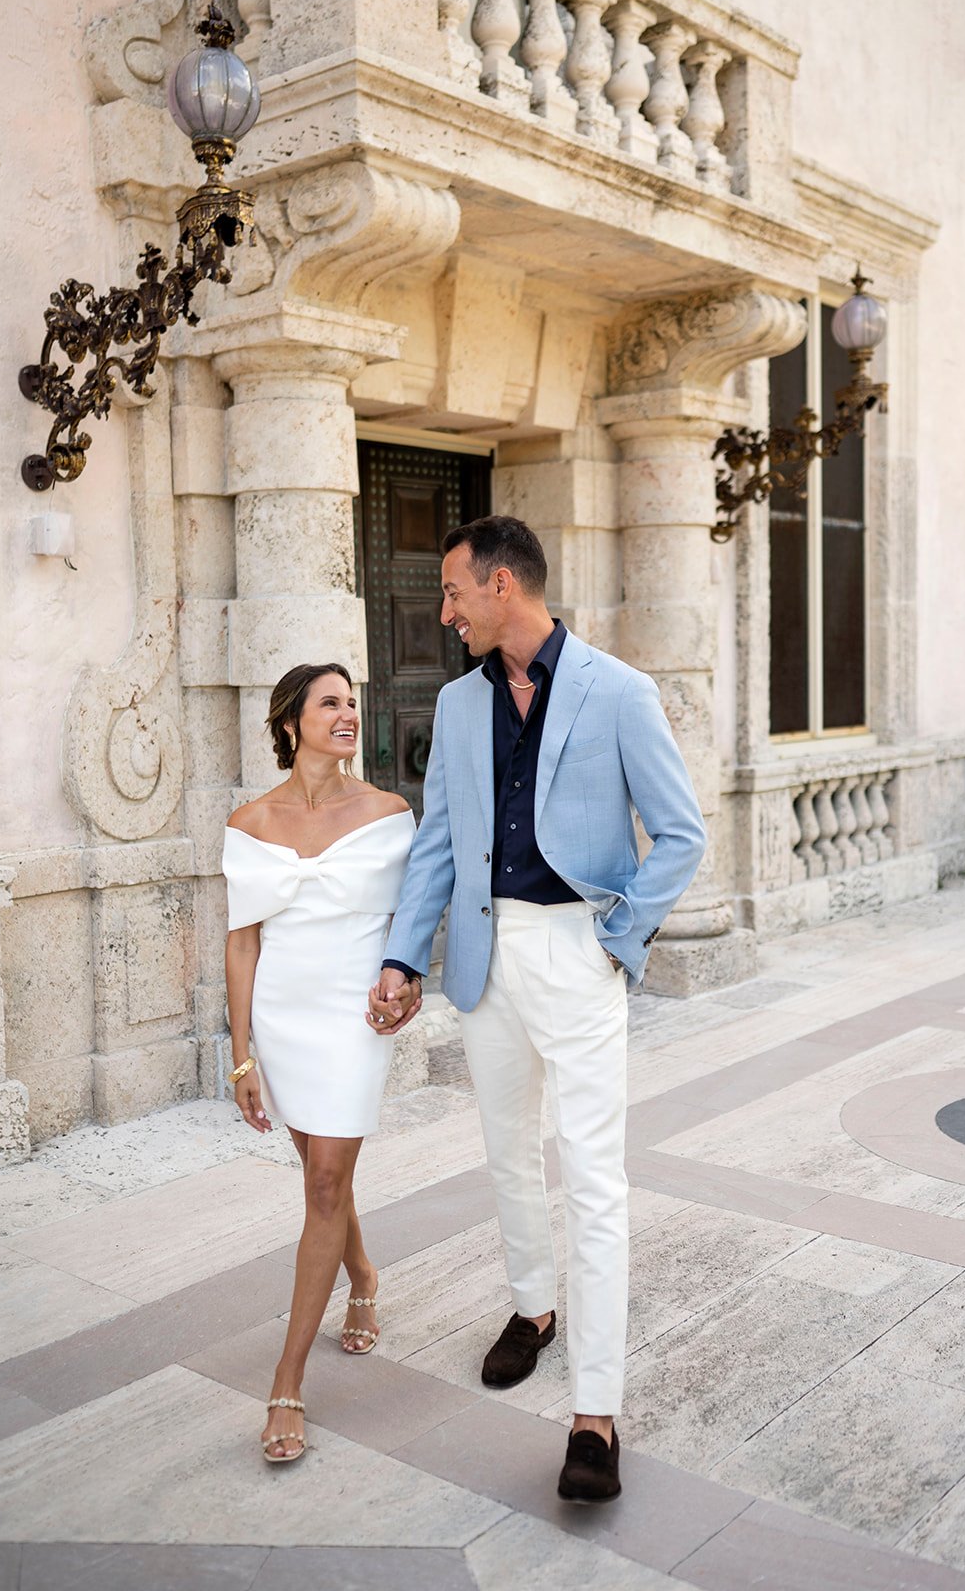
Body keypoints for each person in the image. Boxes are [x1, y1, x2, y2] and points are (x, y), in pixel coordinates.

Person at [368, 516, 705, 1503]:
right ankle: (531, 1309)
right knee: (506, 1152)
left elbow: (678, 832)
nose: (444, 612)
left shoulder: (617, 691)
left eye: (453, 594)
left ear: (503, 585)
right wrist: (402, 952)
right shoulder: (460, 703)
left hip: (574, 946)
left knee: (592, 1178)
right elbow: (435, 840)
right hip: (483, 956)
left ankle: (593, 1414)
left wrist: (618, 935)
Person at [223, 662, 417, 1464]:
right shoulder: (249, 820)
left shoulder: (387, 811)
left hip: (349, 1015)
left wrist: (404, 987)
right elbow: (242, 942)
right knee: (320, 1175)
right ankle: (363, 1275)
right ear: (291, 720)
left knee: (326, 1181)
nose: (348, 715)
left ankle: (287, 1381)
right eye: (330, 703)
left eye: (353, 704)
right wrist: (240, 1057)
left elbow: (414, 913)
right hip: (282, 1015)